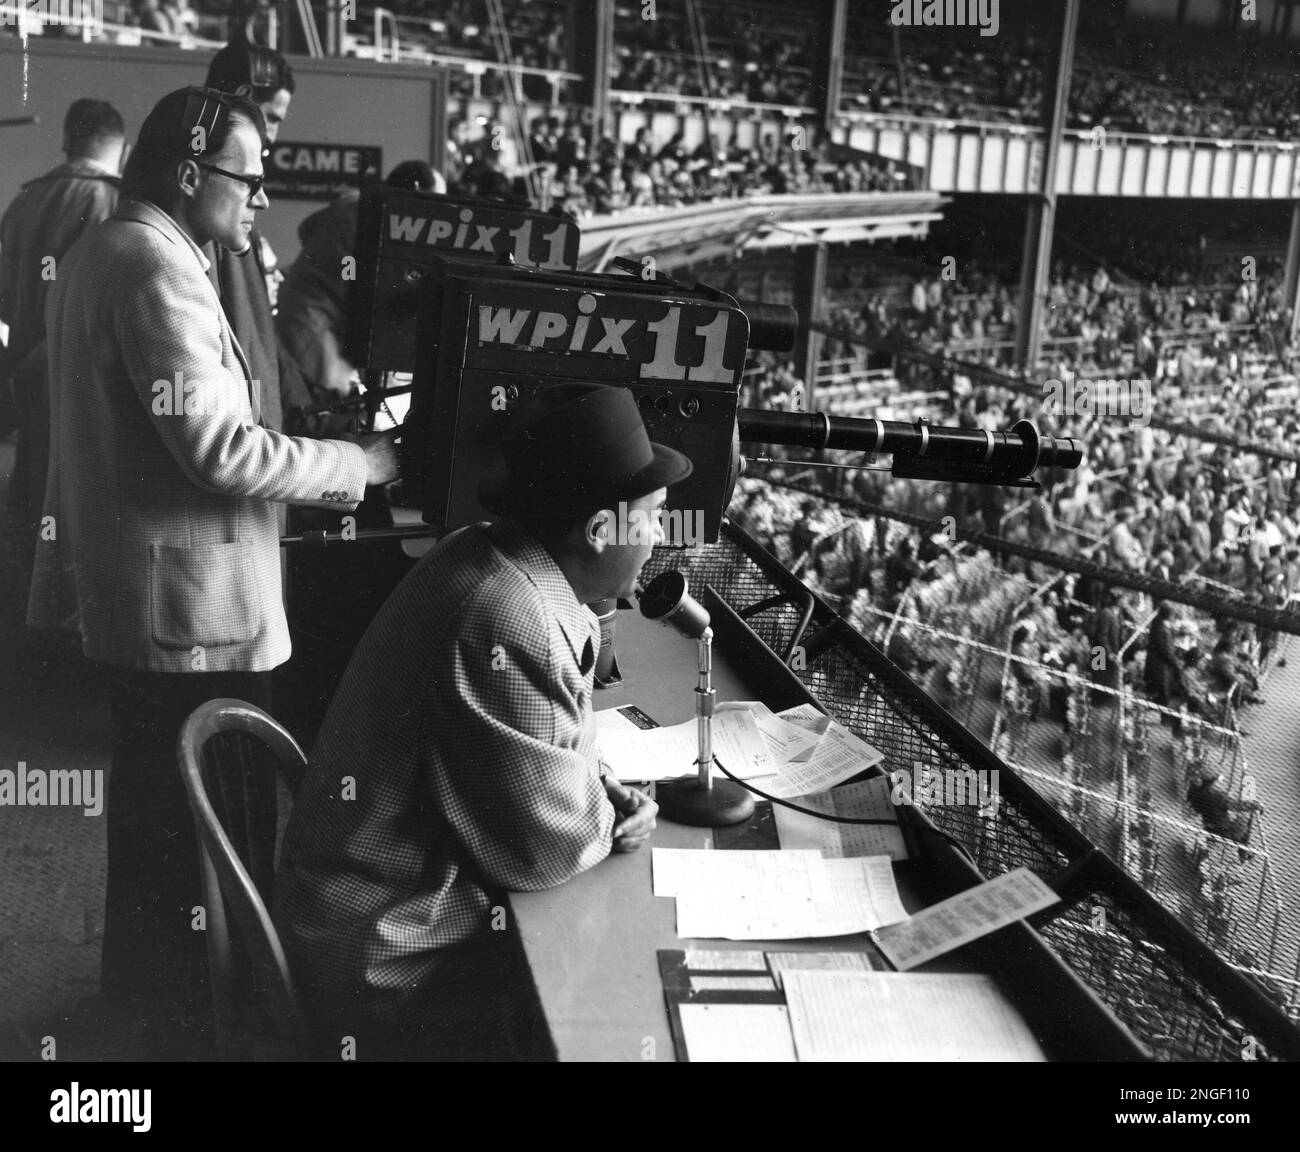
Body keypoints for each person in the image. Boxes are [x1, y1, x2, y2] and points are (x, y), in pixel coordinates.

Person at [26, 86, 399, 1055]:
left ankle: (150, 996)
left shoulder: (114, 247)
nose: (262, 198)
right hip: (190, 619)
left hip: (143, 600)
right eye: (250, 178)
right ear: (191, 175)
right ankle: (200, 1023)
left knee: (152, 821)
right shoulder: (155, 265)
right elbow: (221, 451)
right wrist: (360, 468)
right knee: (208, 837)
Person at [274, 383, 685, 1059]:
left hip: (372, 906)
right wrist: (603, 812)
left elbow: (557, 749)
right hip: (383, 961)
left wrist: (597, 790)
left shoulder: (505, 563)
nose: (661, 536)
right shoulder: (505, 615)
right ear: (599, 530)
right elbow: (543, 851)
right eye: (653, 516)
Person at [0, 98, 126, 530]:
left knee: (34, 515)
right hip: (79, 382)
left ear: (67, 141)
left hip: (27, 382)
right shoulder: (110, 200)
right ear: (121, 147)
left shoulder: (23, 202)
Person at [203, 40, 300, 435]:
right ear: (243, 99)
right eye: (272, 117)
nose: (273, 135)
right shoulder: (210, 219)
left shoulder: (221, 213)